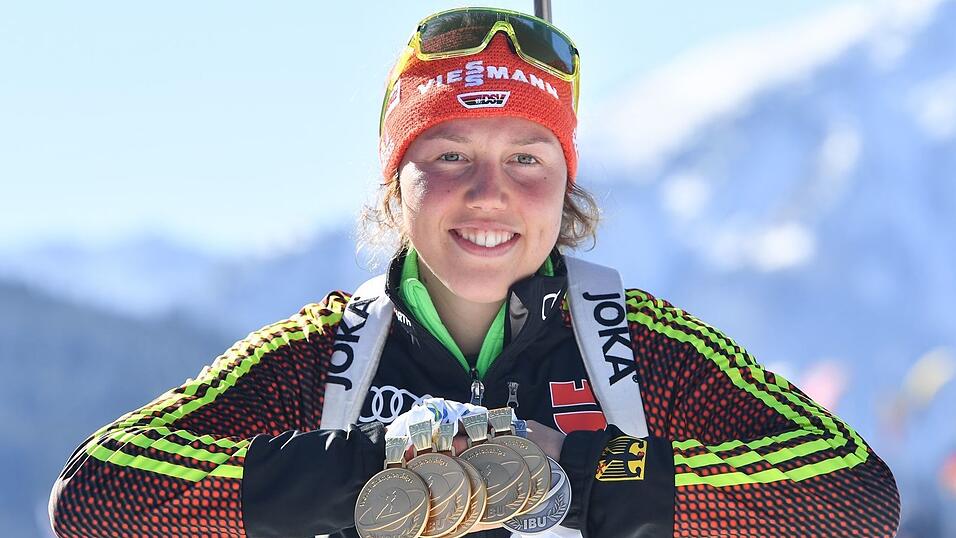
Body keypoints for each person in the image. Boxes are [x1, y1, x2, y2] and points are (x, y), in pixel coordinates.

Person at [49, 7, 901, 537]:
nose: (490, 194)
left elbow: (853, 499)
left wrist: (570, 468)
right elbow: (95, 498)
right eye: (450, 153)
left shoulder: (637, 349)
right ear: (396, 180)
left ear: (567, 187)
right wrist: (375, 471)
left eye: (528, 159)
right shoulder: (319, 359)